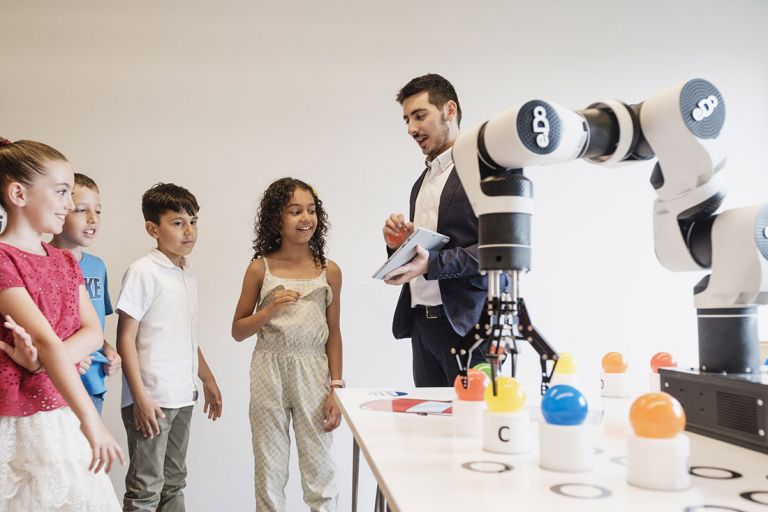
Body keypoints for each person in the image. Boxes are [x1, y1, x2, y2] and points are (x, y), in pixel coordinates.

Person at [0, 137, 123, 510]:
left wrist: (40, 361)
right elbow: (45, 338)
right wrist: (92, 421)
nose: (69, 205)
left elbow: (93, 332)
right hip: (14, 415)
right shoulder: (4, 259)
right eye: (61, 192)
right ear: (19, 194)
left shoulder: (65, 262)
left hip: (57, 409)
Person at [232, 177, 342, 512]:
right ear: (276, 218)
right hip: (269, 368)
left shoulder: (329, 271)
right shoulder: (258, 269)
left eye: (311, 210)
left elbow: (334, 333)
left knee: (320, 468)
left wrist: (336, 388)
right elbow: (237, 330)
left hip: (314, 370)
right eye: (295, 211)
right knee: (269, 466)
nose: (306, 218)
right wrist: (268, 311)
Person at [116, 182, 222, 512]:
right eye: (178, 223)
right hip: (152, 398)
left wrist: (207, 379)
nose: (188, 230)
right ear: (153, 228)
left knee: (174, 481)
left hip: (182, 394)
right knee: (146, 486)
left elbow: (185, 336)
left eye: (193, 221)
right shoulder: (143, 271)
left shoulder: (186, 274)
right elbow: (125, 339)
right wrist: (141, 398)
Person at [382, 73, 489, 387]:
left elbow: (497, 252)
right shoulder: (422, 181)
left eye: (419, 116)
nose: (411, 129)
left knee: (472, 431)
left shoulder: (484, 169)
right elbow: (424, 253)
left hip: (469, 330)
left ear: (449, 110)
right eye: (406, 120)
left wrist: (433, 263)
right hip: (422, 329)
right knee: (428, 431)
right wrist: (398, 246)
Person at [51, 172, 121, 415]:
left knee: (91, 452)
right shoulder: (40, 262)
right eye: (81, 210)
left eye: (98, 211)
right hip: (55, 384)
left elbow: (93, 325)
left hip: (92, 382)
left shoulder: (97, 266)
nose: (93, 219)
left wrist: (108, 349)